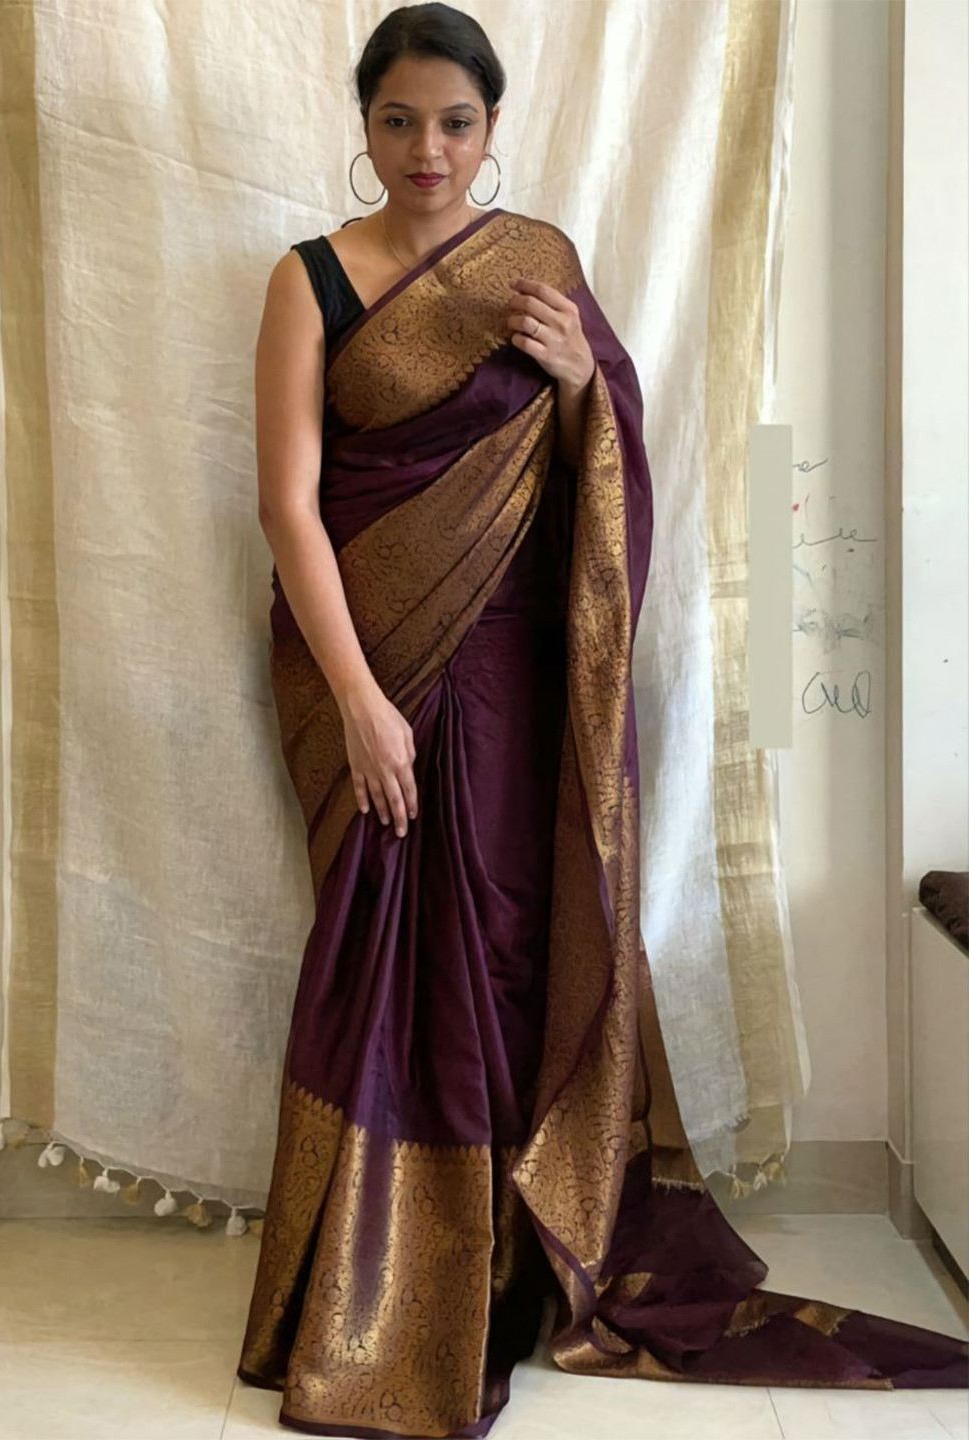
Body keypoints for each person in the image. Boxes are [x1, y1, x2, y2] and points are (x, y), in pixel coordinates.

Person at [238, 5, 969, 1435]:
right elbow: (287, 504)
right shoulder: (308, 278)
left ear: (492, 129)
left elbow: (605, 468)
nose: (429, 149)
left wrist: (584, 383)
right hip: (367, 672)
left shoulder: (538, 269)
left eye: (457, 122)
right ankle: (380, 1286)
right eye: (400, 120)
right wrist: (365, 703)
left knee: (517, 944)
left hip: (516, 684)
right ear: (365, 124)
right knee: (380, 957)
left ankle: (517, 1262)